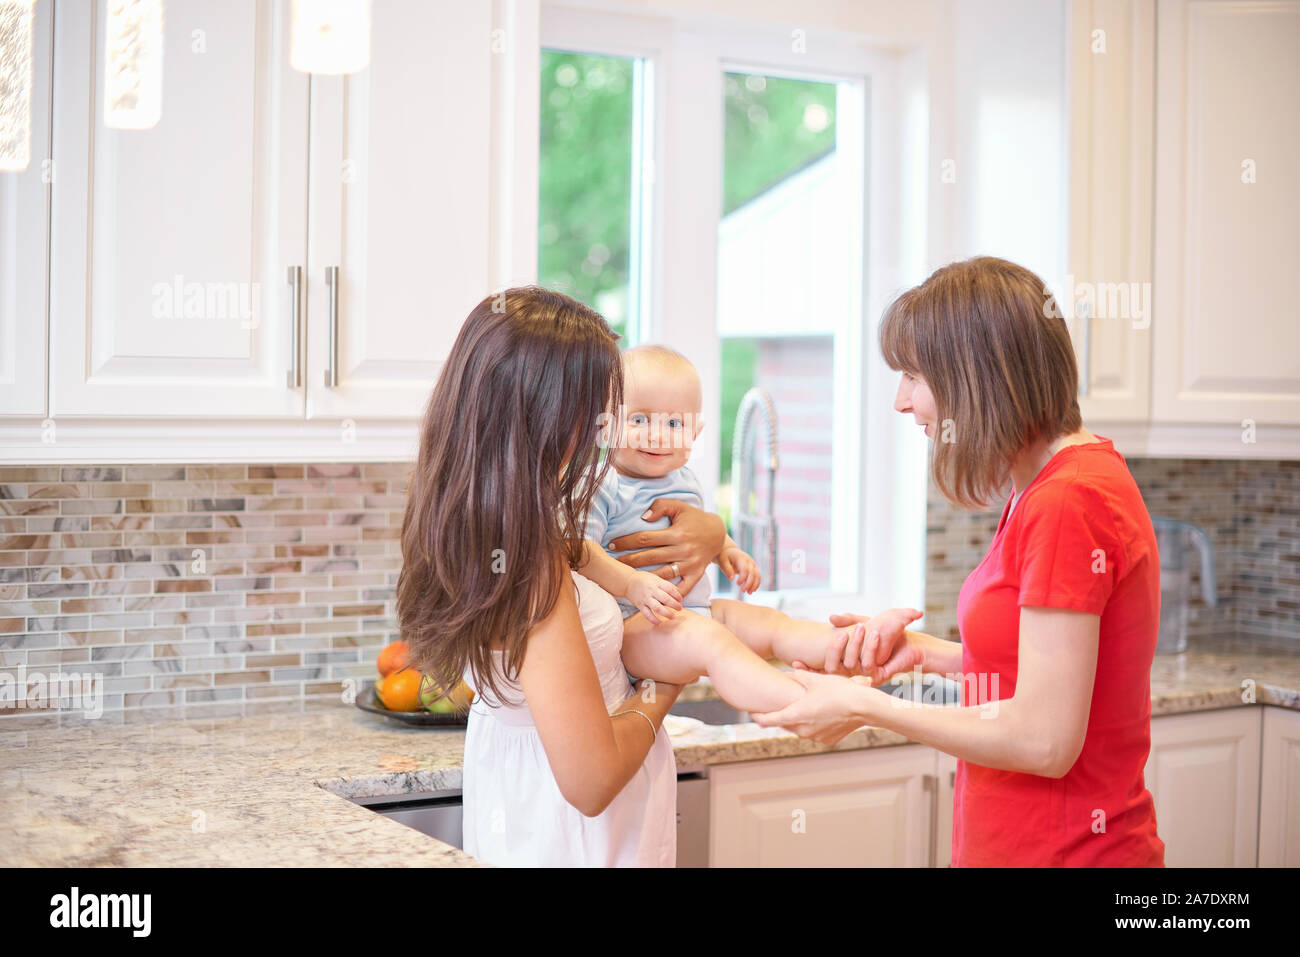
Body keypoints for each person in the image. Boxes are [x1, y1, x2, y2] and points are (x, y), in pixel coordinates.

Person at [752, 256, 1166, 867]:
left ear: (978, 378)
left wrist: (867, 706)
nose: (901, 401)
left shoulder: (1068, 501)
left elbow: (1044, 740)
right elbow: (1035, 671)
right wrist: (924, 654)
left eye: (915, 377)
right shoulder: (1049, 483)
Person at [395, 287, 722, 866]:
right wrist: (664, 685)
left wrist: (711, 533)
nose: (597, 428)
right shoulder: (532, 561)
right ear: (546, 414)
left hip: (524, 811)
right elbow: (591, 781)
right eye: (592, 408)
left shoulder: (464, 515)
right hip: (577, 837)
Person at [579, 344, 920, 714]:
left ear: (696, 432)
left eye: (674, 423)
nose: (657, 435)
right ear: (607, 425)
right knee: (712, 641)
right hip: (632, 627)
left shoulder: (685, 480)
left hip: (691, 612)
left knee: (770, 624)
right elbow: (578, 552)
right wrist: (632, 584)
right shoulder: (601, 484)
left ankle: (858, 642)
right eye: (640, 420)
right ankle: (808, 702)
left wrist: (729, 552)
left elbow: (704, 534)